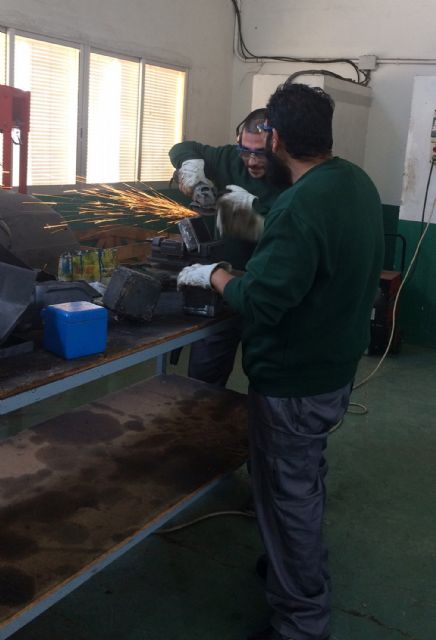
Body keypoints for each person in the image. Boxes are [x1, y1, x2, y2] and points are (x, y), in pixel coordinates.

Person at [177, 83, 384, 640]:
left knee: (285, 494)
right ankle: (289, 560)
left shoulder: (299, 205)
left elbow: (263, 302)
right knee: (303, 477)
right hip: (333, 366)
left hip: (294, 379)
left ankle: (300, 621)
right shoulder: (356, 183)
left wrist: (217, 276)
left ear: (278, 138)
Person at [169, 109, 285, 386]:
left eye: (261, 153)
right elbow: (183, 148)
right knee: (203, 378)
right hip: (221, 287)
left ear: (278, 146)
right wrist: (193, 170)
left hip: (264, 292)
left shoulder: (291, 176)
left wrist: (257, 212)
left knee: (265, 379)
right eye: (246, 151)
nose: (252, 161)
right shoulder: (229, 159)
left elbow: (292, 231)